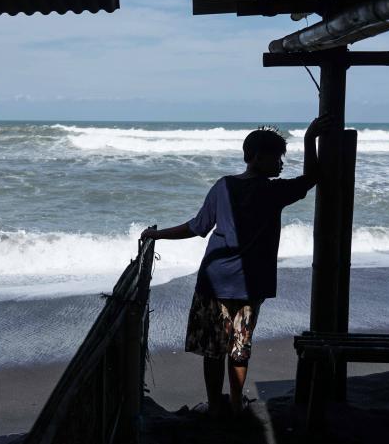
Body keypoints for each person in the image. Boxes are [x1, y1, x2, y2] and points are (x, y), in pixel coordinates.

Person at [141, 115, 331, 417]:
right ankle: (234, 403)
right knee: (240, 347)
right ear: (255, 157)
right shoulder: (274, 192)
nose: (281, 164)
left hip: (213, 281)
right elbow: (312, 178)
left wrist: (158, 234)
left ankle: (216, 406)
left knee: (213, 349)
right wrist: (310, 139)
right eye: (276, 157)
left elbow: (197, 226)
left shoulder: (224, 186)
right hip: (250, 284)